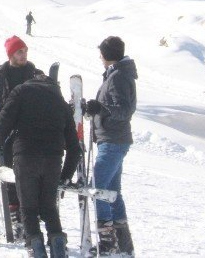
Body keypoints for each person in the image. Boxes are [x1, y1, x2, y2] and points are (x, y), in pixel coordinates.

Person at [0, 73, 81, 258]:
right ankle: (58, 250)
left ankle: (36, 250)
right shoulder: (58, 99)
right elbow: (74, 146)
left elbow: (4, 120)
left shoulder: (21, 91)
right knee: (49, 207)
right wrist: (65, 176)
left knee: (29, 208)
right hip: (53, 159)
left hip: (26, 155)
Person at [0, 35, 44, 240]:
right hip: (7, 134)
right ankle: (15, 219)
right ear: (11, 54)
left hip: (31, 134)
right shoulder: (0, 75)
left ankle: (29, 218)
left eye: (25, 51)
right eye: (20, 51)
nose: (24, 55)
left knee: (30, 177)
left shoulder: (35, 73)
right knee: (10, 175)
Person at [85, 36, 136, 257]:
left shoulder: (118, 77)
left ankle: (107, 242)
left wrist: (101, 108)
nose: (99, 57)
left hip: (113, 140)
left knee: (98, 187)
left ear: (107, 55)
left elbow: (123, 111)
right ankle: (123, 243)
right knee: (112, 191)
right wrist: (97, 109)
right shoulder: (118, 74)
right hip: (113, 139)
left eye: (101, 53)